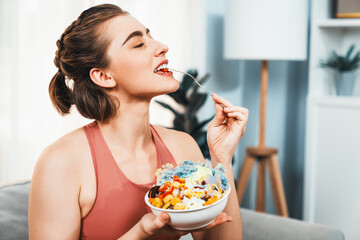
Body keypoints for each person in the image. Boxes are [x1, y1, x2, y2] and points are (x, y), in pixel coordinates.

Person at [28, 4, 248, 240]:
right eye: (139, 44)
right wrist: (140, 233)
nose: (162, 47)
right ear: (103, 76)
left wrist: (222, 158)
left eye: (150, 36)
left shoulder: (183, 147)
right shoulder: (60, 162)